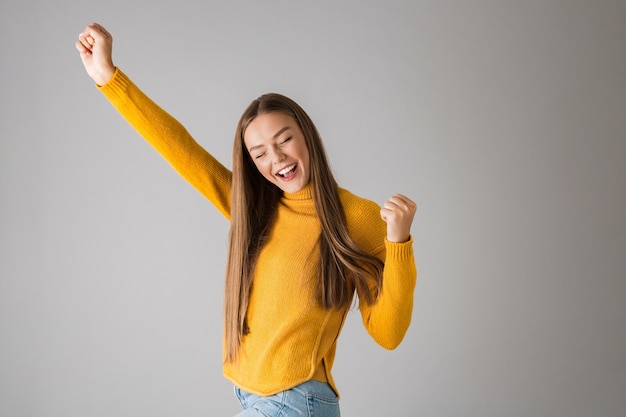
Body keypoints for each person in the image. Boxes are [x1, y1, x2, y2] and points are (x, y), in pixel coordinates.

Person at [75, 22, 418, 417]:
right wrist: (107, 76)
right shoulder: (256, 212)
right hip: (251, 396)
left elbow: (388, 334)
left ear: (307, 135)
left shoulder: (355, 217)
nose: (277, 159)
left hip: (295, 400)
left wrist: (400, 245)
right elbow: (182, 151)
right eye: (260, 153)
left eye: (284, 139)